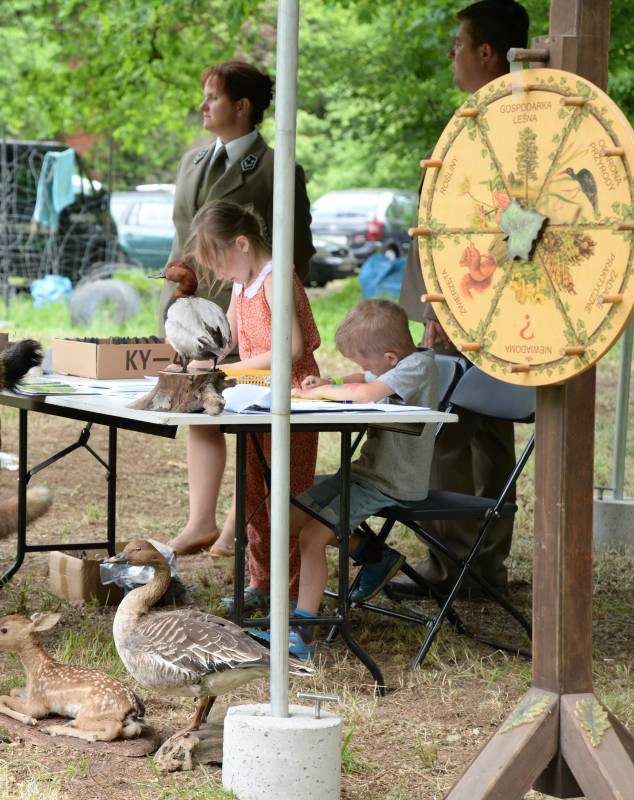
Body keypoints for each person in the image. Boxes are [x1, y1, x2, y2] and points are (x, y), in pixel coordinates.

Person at [393, 0, 529, 598]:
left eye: (459, 43)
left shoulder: (508, 123)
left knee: (456, 433)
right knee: (483, 437)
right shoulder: (500, 117)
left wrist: (442, 308)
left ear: (486, 53)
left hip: (479, 302)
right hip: (472, 301)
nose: (451, 53)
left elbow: (506, 226)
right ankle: (480, 568)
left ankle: (459, 569)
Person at [258, 299, 439, 661]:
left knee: (312, 535)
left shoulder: (419, 366)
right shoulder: (397, 364)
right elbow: (365, 380)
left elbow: (368, 391)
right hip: (364, 472)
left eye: (364, 361)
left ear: (390, 357)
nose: (363, 369)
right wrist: (333, 382)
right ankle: (375, 557)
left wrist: (317, 393)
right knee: (283, 514)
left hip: (391, 482)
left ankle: (302, 633)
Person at [171, 201, 321, 614]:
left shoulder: (276, 278)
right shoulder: (243, 284)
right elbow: (227, 342)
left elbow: (288, 349)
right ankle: (262, 582)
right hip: (255, 399)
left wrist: (225, 367)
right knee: (254, 492)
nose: (218, 276)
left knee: (284, 496)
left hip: (290, 400)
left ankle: (289, 593)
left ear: (241, 243)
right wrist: (198, 352)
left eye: (218, 263)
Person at [158, 60, 315, 337]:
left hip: (237, 324)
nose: (202, 106)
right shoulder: (190, 162)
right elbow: (182, 238)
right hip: (180, 314)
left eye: (213, 98)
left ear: (242, 106)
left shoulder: (276, 169)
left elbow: (296, 254)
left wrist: (262, 313)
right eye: (204, 98)